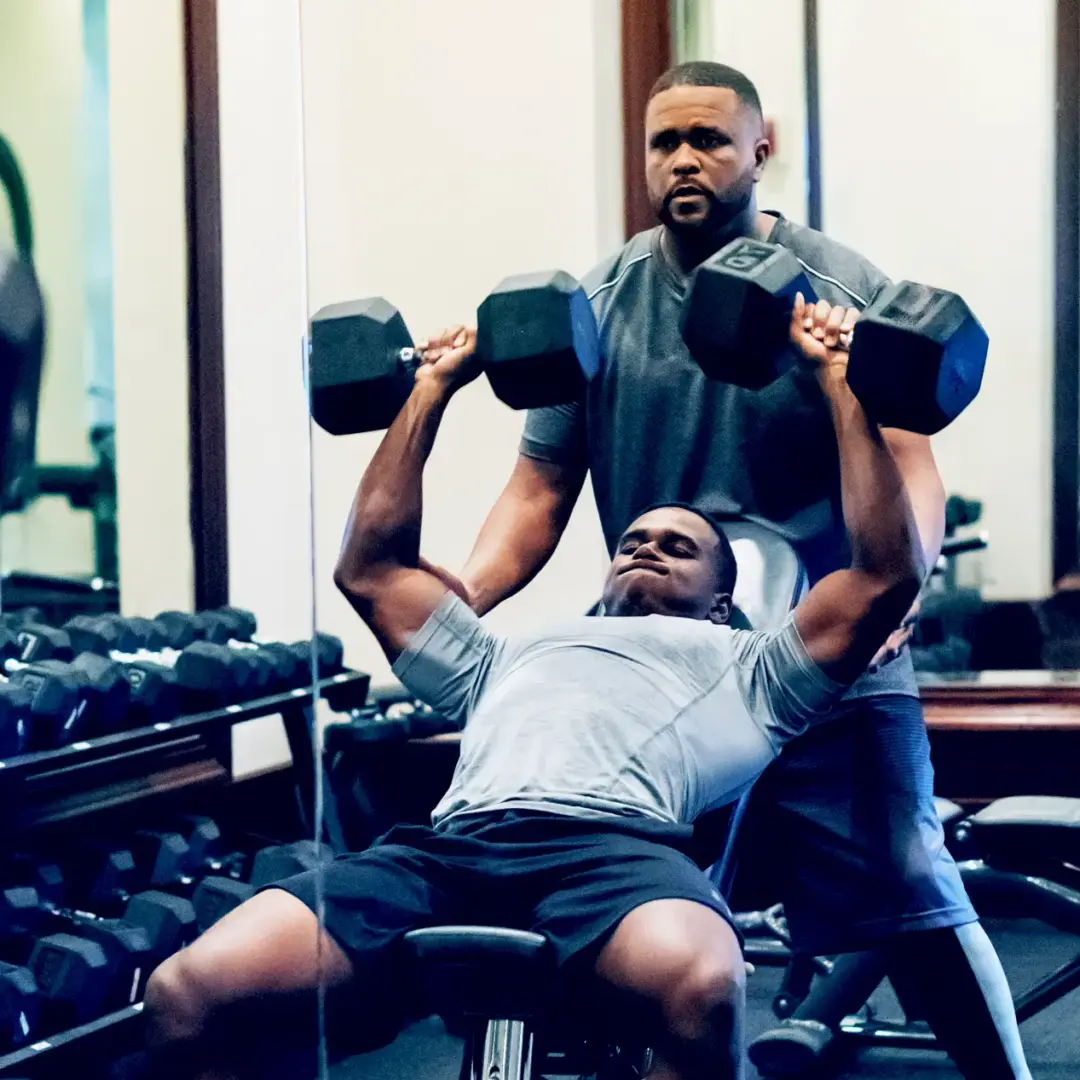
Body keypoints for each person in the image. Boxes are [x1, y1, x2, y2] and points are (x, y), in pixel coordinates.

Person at [143, 297, 918, 1080]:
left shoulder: (754, 667)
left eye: (677, 546)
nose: (646, 548)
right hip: (446, 852)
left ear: (721, 603)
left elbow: (885, 574)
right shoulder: (509, 651)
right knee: (185, 991)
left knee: (704, 987)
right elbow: (370, 570)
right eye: (632, 540)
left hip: (615, 858)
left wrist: (838, 381)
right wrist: (430, 390)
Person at [447, 61, 1030, 1080]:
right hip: (657, 667)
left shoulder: (841, 288)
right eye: (665, 142)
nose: (684, 160)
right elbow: (538, 489)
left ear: (761, 151)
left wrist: (904, 587)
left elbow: (911, 464)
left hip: (822, 647)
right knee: (624, 901)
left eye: (709, 140)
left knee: (906, 879)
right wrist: (459, 600)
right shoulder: (599, 304)